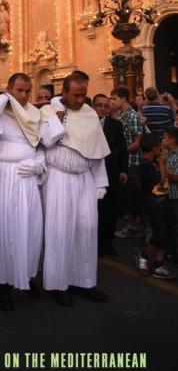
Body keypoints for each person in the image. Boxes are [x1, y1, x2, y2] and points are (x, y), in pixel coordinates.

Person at [0, 72, 65, 311]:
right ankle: (3, 285)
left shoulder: (34, 113)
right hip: (2, 175)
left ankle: (25, 276)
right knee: (4, 229)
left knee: (30, 227)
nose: (23, 95)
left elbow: (47, 143)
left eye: (27, 91)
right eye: (19, 90)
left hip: (27, 177)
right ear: (9, 88)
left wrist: (37, 164)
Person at [40, 73, 110, 307]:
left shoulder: (90, 114)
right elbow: (45, 142)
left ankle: (85, 280)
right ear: (65, 92)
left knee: (87, 229)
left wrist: (100, 183)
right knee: (60, 231)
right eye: (76, 95)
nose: (81, 99)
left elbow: (97, 151)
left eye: (83, 94)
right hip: (59, 179)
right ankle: (59, 284)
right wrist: (58, 113)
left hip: (84, 180)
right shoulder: (50, 112)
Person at [135, 133, 175, 279]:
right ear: (154, 148)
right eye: (158, 146)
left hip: (162, 202)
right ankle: (143, 256)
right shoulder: (145, 165)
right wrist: (163, 164)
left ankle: (159, 264)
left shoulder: (152, 161)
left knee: (165, 234)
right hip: (154, 203)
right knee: (159, 234)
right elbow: (162, 181)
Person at [93, 94, 128, 256]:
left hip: (110, 171)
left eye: (105, 106)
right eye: (99, 105)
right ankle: (94, 242)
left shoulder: (115, 125)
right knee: (94, 209)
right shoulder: (86, 124)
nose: (102, 109)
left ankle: (107, 243)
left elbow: (122, 149)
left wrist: (123, 170)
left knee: (110, 209)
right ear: (93, 106)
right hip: (90, 172)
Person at [109, 86, 143, 238]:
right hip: (124, 163)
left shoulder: (132, 116)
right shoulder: (119, 116)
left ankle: (133, 226)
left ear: (123, 99)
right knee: (126, 197)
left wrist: (121, 154)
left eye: (114, 98)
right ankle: (131, 223)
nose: (112, 101)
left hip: (132, 163)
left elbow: (138, 142)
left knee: (133, 197)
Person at [163, 126, 178, 264]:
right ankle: (172, 250)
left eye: (165, 137)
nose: (163, 140)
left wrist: (163, 170)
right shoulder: (168, 153)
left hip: (176, 197)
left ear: (172, 140)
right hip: (169, 195)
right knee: (171, 225)